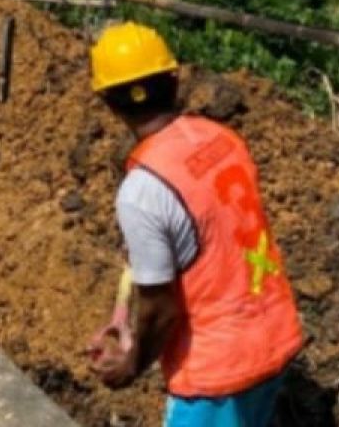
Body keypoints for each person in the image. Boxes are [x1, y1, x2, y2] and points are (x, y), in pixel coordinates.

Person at [85, 23, 303, 426]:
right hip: (274, 334)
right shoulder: (222, 138)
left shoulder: (142, 191)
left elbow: (161, 309)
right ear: (174, 80)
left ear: (108, 103)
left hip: (217, 368)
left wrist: (131, 365)